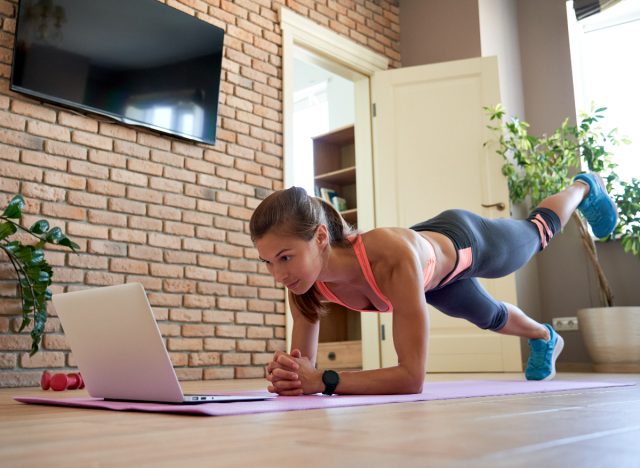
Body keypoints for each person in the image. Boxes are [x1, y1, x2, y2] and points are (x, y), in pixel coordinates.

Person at [250, 173, 618, 396]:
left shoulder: (390, 258)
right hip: (432, 282)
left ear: (318, 238)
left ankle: (584, 187)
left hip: (464, 242)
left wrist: (325, 380)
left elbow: (411, 377)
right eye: (267, 262)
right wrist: (291, 374)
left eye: (285, 257)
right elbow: (306, 371)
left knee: (537, 233)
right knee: (490, 317)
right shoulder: (304, 282)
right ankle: (545, 337)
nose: (278, 275)